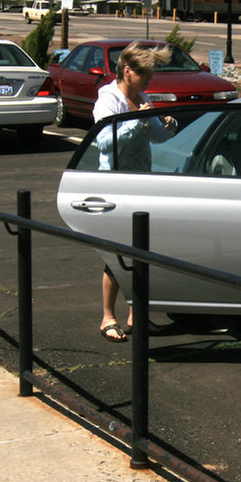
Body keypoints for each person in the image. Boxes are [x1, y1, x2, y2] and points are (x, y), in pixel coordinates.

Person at [93, 42, 177, 342]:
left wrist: (167, 124)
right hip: (116, 186)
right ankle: (108, 317)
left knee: (141, 252)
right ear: (128, 72)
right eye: (146, 76)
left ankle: (135, 315)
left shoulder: (142, 98)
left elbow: (155, 135)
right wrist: (137, 120)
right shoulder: (108, 101)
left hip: (141, 183)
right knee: (116, 254)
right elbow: (104, 143)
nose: (149, 82)